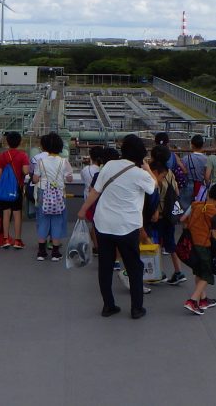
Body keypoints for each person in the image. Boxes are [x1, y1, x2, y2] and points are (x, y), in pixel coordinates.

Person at [79, 134, 156, 320]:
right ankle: (136, 308)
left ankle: (108, 306)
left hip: (103, 224)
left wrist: (82, 211)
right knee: (133, 267)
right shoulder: (140, 173)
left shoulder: (110, 165)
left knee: (105, 266)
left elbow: (95, 191)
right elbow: (154, 186)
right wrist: (147, 168)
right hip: (127, 227)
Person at [182, 183, 216, 314]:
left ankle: (203, 299)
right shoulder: (214, 213)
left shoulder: (196, 205)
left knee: (199, 272)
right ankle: (192, 300)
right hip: (203, 245)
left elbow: (184, 219)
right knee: (206, 275)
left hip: (191, 243)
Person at [148, 144, 186, 286]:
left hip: (157, 214)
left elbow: (153, 192)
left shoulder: (154, 172)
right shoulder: (170, 172)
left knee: (155, 243)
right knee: (170, 244)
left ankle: (158, 273)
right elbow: (176, 192)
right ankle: (178, 272)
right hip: (170, 214)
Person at [33, 132, 73, 261]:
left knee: (42, 220)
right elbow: (70, 178)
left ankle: (41, 251)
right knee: (57, 221)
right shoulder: (64, 161)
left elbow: (35, 179)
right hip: (59, 194)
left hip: (43, 192)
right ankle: (55, 252)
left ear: (44, 146)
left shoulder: (40, 161)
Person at [0, 131, 30, 249]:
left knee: (6, 213)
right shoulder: (23, 155)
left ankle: (6, 239)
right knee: (17, 214)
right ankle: (17, 240)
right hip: (17, 188)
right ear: (20, 142)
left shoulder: (3, 155)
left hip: (5, 189)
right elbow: (26, 171)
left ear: (7, 142)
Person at [182, 135, 208, 207]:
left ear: (192, 145)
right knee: (199, 207)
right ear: (202, 145)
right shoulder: (206, 159)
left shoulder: (185, 158)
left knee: (185, 207)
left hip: (188, 184)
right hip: (201, 186)